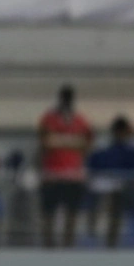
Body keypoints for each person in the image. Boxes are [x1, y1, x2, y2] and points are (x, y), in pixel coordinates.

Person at [38, 84, 92, 248]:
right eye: (65, 98)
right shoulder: (48, 118)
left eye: (69, 98)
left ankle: (69, 246)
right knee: (49, 213)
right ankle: (48, 246)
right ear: (60, 98)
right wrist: (73, 141)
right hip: (52, 175)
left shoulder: (80, 119)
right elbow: (46, 142)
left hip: (73, 175)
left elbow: (87, 144)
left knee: (72, 213)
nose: (67, 102)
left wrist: (59, 140)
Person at [87, 116, 134, 248]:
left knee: (117, 203)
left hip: (128, 192)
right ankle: (104, 239)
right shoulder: (103, 151)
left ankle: (116, 241)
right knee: (110, 203)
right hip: (107, 191)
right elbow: (93, 169)